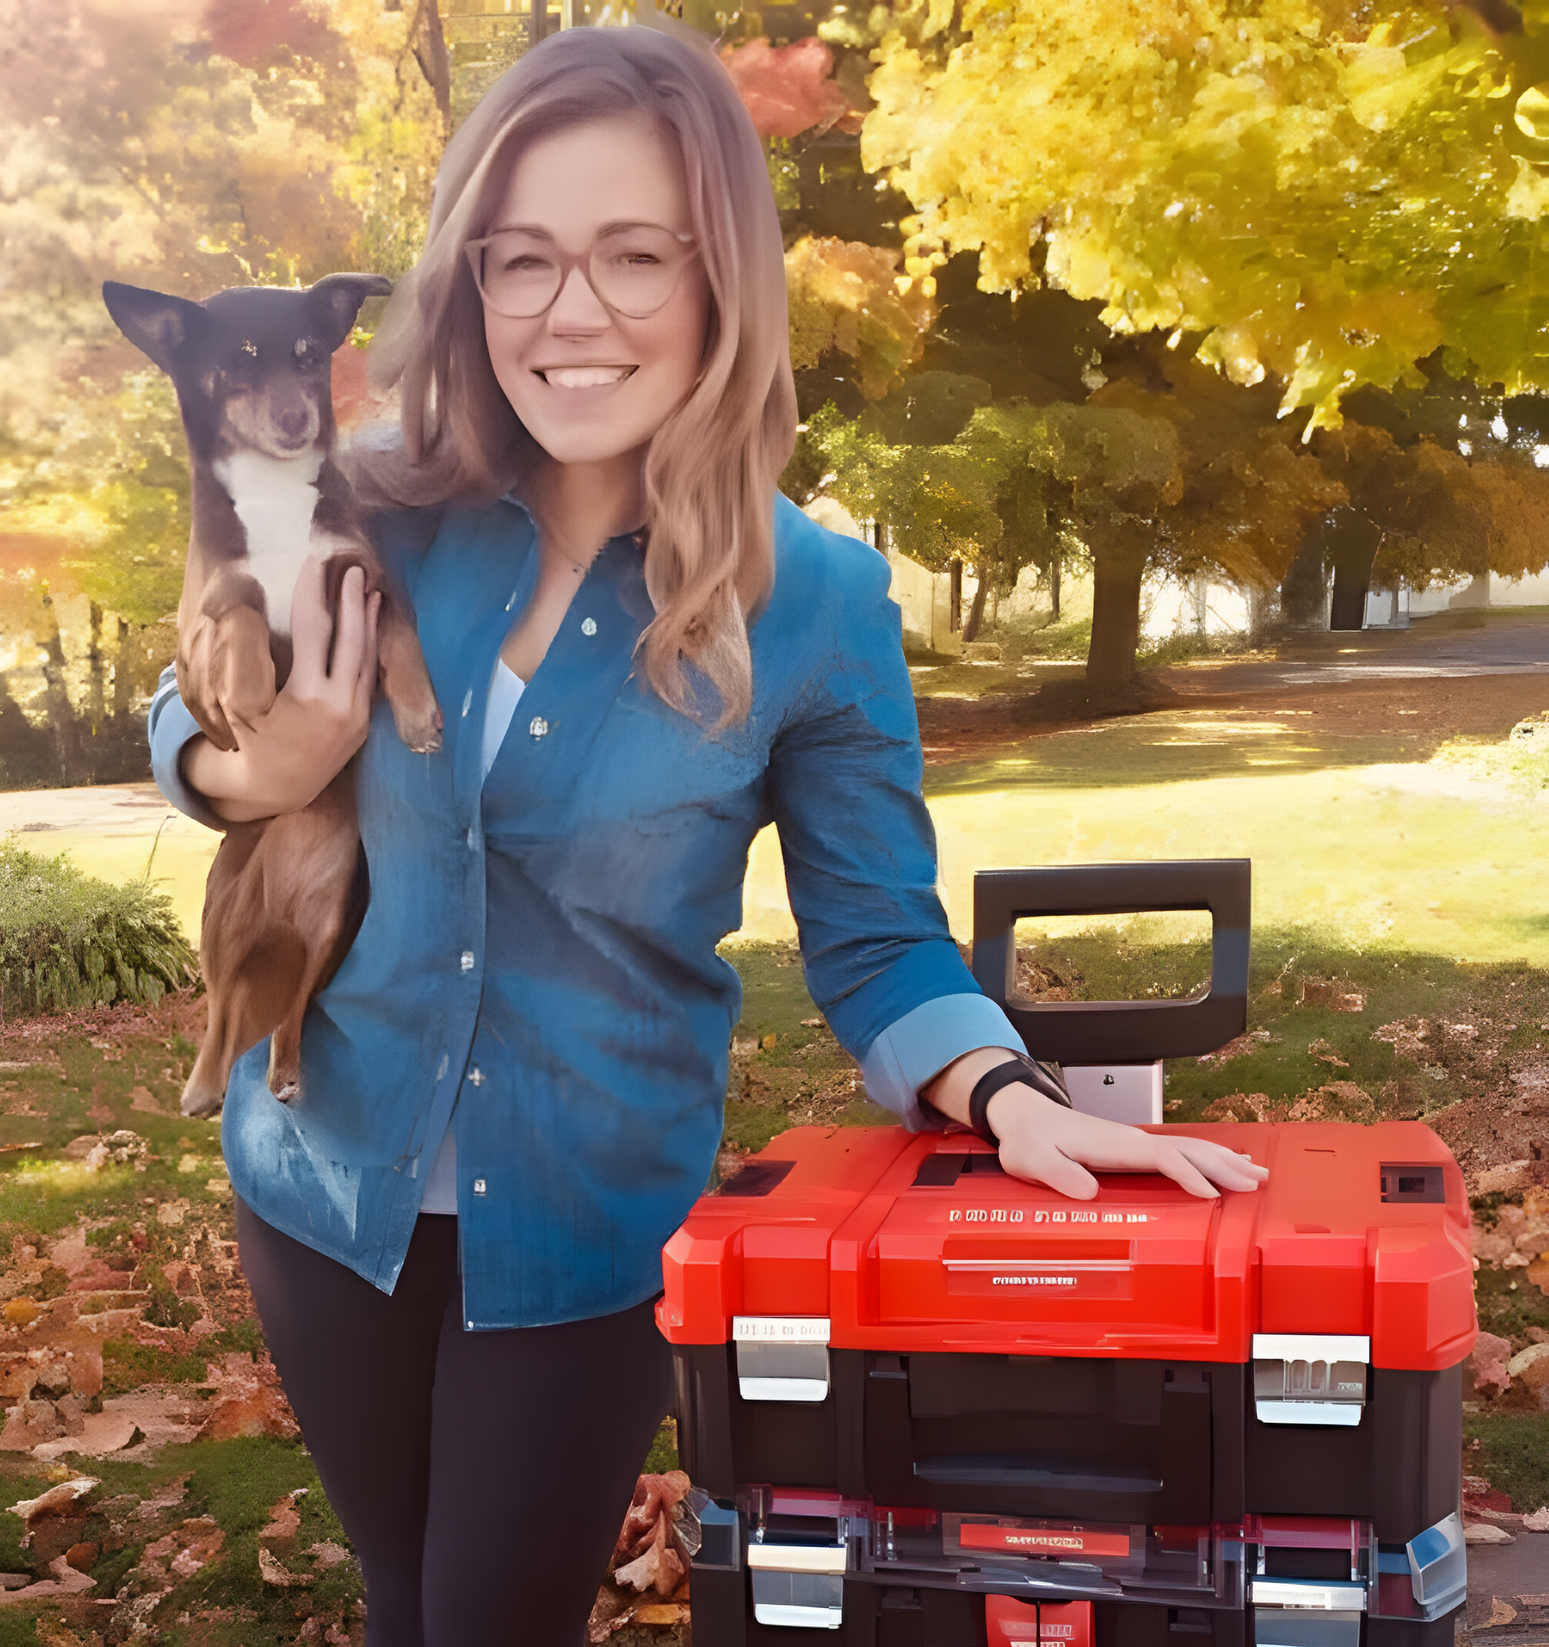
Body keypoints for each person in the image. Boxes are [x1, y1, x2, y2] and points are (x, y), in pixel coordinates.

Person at [147, 22, 1267, 1646]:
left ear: (718, 276)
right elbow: (182, 698)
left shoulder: (815, 602)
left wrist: (1007, 1090)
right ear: (471, 289)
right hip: (322, 1186)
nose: (570, 311)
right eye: (521, 260)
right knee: (405, 1594)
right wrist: (258, 770)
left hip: (584, 1226)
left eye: (631, 255)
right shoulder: (370, 500)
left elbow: (877, 932)